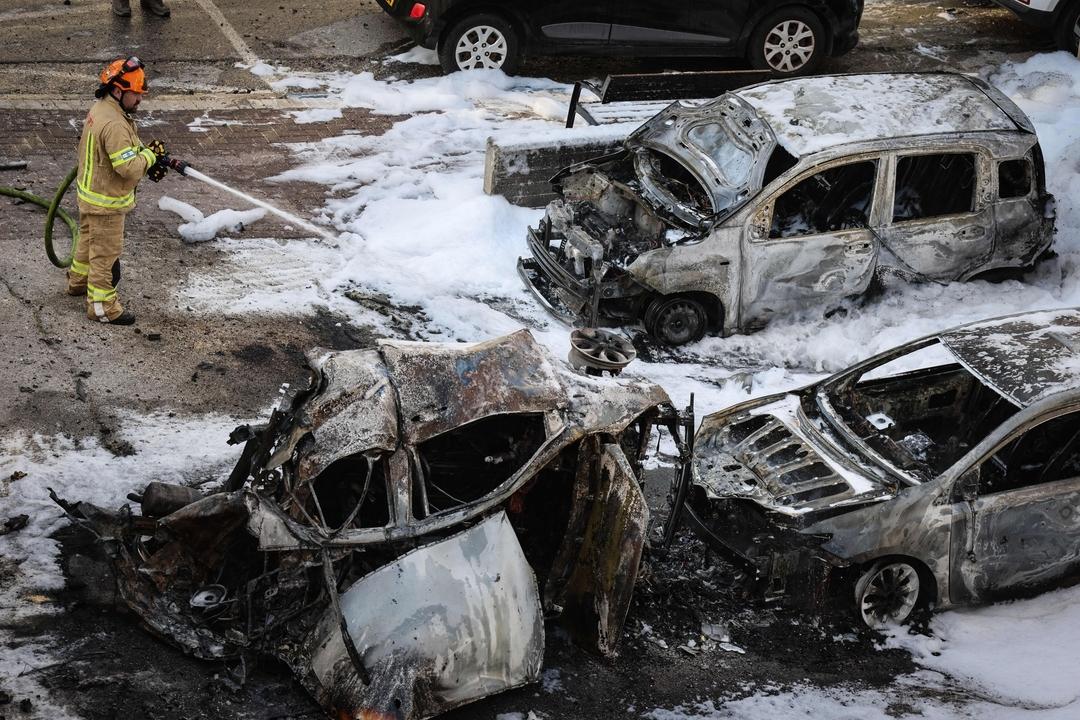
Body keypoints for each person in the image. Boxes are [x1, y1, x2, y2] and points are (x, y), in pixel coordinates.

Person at [67, 56, 177, 325]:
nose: (140, 100)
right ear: (118, 90)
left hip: (90, 195)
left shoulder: (103, 108)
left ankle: (78, 281)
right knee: (106, 255)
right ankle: (102, 306)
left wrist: (145, 152)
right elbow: (127, 168)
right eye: (136, 95)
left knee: (87, 242)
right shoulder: (115, 124)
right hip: (107, 203)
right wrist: (149, 158)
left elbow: (124, 149)